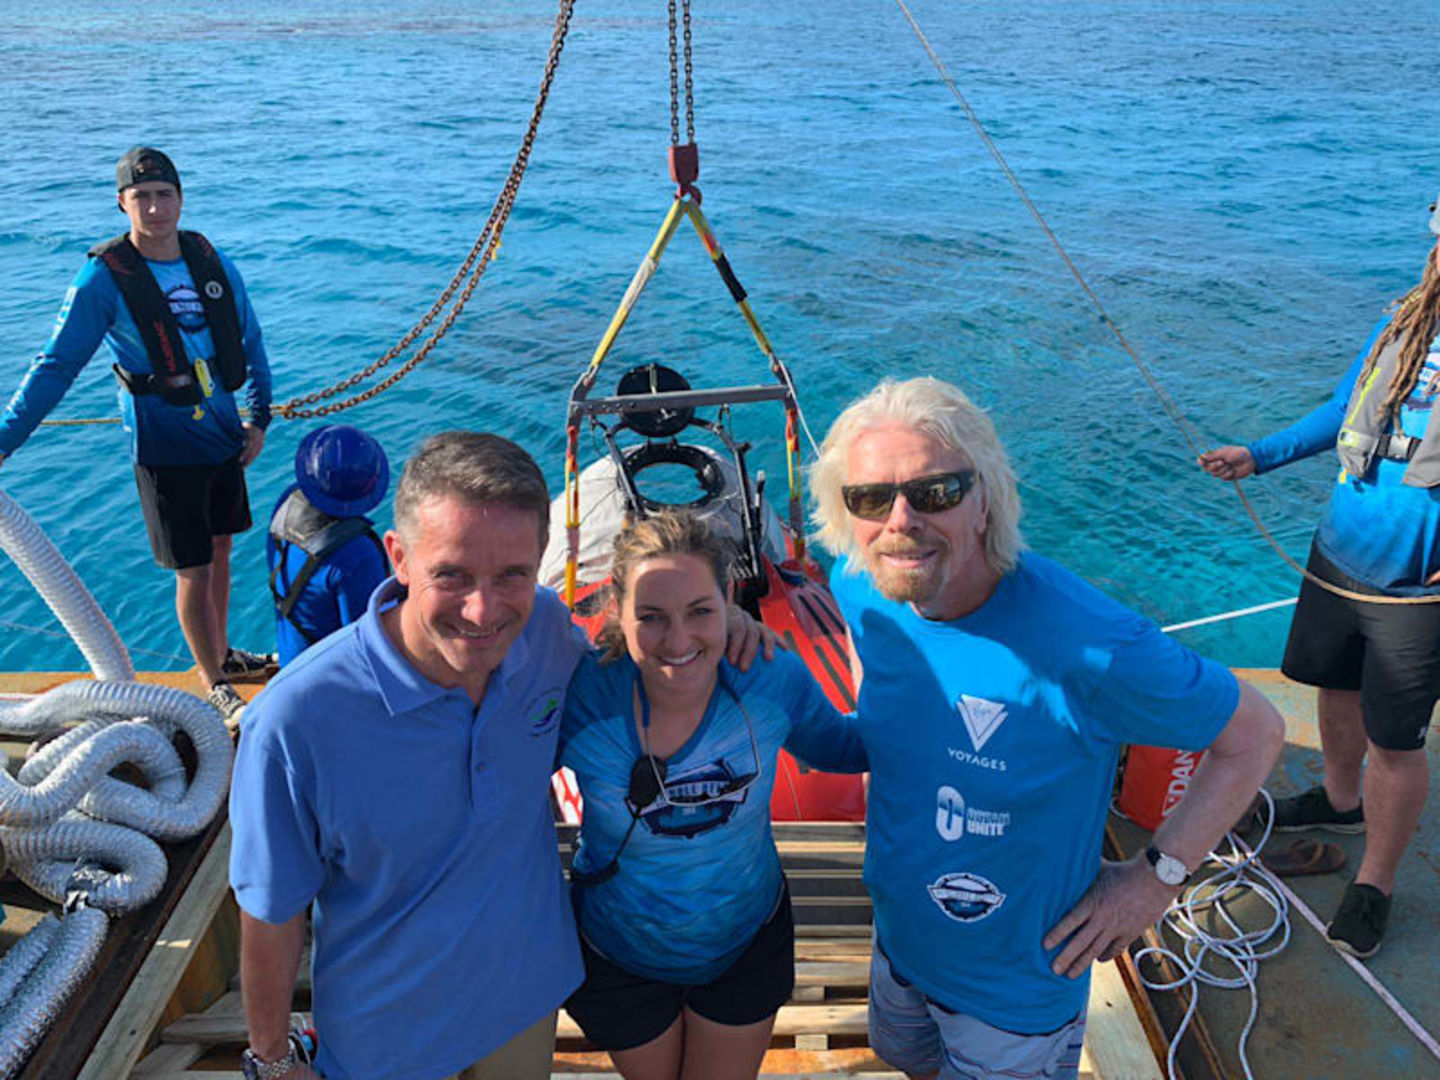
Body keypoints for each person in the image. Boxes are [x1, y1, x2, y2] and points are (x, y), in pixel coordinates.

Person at [229, 431, 772, 1080]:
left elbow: (650, 665)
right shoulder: (293, 720)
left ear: (541, 559)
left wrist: (726, 625)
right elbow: (271, 909)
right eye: (452, 575)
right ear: (397, 558)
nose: (483, 611)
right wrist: (271, 1059)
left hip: (523, 1003)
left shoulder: (545, 632)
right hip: (386, 1041)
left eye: (512, 574)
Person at [809, 377, 1284, 1080]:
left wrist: (1157, 878)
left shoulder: (1090, 643)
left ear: (986, 501)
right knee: (904, 1057)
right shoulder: (860, 586)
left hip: (1017, 985)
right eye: (871, 499)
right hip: (900, 939)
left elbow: (1256, 733)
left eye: (936, 492)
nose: (900, 520)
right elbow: (876, 699)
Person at [1197, 194, 1440, 959]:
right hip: (1339, 557)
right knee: (1331, 690)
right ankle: (1339, 802)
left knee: (1397, 741)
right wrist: (1258, 454)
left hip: (1418, 587)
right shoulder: (1404, 319)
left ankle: (1374, 883)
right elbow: (1342, 409)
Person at [559, 510, 868, 1080]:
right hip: (618, 953)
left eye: (699, 612)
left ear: (728, 598)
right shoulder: (581, 698)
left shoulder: (769, 679)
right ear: (617, 615)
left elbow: (850, 749)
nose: (678, 641)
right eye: (651, 617)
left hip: (745, 945)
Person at [0, 146, 275, 722]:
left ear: (180, 199)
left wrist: (259, 416)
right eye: (141, 197)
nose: (154, 208)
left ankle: (224, 654)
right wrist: (5, 439)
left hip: (224, 431)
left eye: (163, 195)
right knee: (192, 568)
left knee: (223, 547)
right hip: (163, 444)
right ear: (123, 203)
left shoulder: (207, 258)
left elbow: (249, 337)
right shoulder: (104, 277)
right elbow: (55, 365)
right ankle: (214, 680)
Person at [267, 424, 389, 666]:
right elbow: (367, 645)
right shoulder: (358, 554)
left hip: (291, 664)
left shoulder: (287, 502)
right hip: (326, 687)